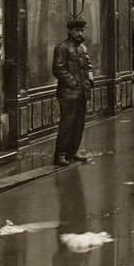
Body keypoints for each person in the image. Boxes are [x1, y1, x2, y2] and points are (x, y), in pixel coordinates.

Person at [51, 17, 94, 166]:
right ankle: (60, 154)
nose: (80, 33)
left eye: (82, 30)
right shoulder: (62, 48)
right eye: (77, 30)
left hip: (82, 93)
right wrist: (73, 82)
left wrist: (90, 79)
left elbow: (88, 65)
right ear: (70, 31)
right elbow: (58, 69)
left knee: (79, 125)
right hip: (68, 94)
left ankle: (72, 152)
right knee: (67, 125)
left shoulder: (83, 48)